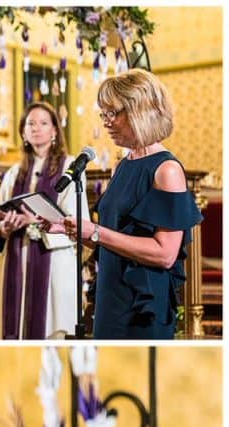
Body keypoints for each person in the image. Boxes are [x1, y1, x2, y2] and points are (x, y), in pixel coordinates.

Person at [63, 69, 202, 339]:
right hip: (110, 295)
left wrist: (95, 232)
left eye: (113, 113)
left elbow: (164, 255)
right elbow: (117, 237)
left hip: (142, 306)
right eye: (103, 114)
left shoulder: (167, 170)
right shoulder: (123, 166)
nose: (106, 122)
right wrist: (77, 231)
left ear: (140, 110)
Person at [0, 102, 88, 339]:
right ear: (23, 131)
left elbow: (77, 222)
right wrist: (5, 229)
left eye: (43, 123)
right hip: (17, 263)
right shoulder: (13, 174)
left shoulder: (70, 168)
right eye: (30, 123)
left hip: (53, 265)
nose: (36, 128)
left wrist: (32, 221)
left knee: (51, 338)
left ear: (55, 131)